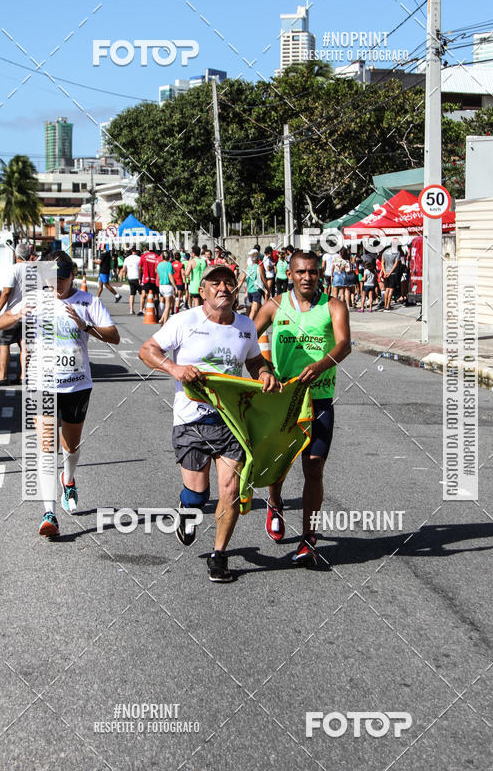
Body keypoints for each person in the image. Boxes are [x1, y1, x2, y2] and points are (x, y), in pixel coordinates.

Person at [139, 263, 278, 583]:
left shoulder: (245, 326)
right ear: (202, 291)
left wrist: (265, 372)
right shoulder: (184, 321)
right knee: (198, 494)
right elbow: (148, 350)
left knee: (229, 490)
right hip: (190, 420)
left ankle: (219, 555)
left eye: (229, 282)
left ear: (237, 289)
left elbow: (254, 359)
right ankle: (186, 510)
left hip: (231, 422)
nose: (223, 288)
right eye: (215, 283)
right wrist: (175, 370)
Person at [0, 251, 120, 537]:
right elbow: (0, 323)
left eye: (62, 280)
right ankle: (48, 511)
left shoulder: (89, 301)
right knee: (46, 447)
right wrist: (17, 314)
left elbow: (114, 336)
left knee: (71, 446)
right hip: (42, 383)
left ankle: (69, 479)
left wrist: (85, 326)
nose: (57, 286)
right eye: (52, 280)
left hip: (77, 385)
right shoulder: (36, 299)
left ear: (72, 276)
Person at [255, 250, 351, 566]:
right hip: (284, 398)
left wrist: (322, 364)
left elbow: (343, 344)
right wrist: (264, 369)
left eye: (311, 271)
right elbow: (246, 338)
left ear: (319, 272)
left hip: (320, 399)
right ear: (290, 274)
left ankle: (309, 538)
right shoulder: (275, 305)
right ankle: (275, 501)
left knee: (313, 467)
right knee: (279, 463)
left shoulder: (334, 306)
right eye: (300, 272)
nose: (306, 277)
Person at [0, 240, 31, 384]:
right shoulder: (36, 270)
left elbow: (7, 291)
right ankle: (24, 376)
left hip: (11, 314)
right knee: (25, 345)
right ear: (30, 255)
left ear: (16, 255)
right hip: (29, 313)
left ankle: (2, 376)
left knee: (4, 343)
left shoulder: (14, 269)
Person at [239, 249, 267, 320]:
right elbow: (263, 279)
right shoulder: (259, 266)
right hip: (256, 290)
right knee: (254, 310)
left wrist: (237, 289)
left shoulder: (248, 267)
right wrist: (267, 289)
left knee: (250, 308)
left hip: (249, 290)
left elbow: (241, 279)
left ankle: (252, 321)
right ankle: (249, 324)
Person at [138, 246, 160, 317]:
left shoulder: (143, 256)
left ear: (147, 249)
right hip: (155, 279)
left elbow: (140, 268)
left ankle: (143, 310)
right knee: (156, 295)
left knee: (145, 294)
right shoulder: (157, 256)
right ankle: (157, 311)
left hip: (146, 279)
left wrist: (139, 278)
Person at [156, 250, 175, 325]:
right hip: (168, 286)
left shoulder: (159, 265)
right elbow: (170, 276)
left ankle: (162, 319)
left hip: (161, 286)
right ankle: (165, 322)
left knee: (164, 303)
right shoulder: (169, 264)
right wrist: (175, 286)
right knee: (168, 306)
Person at [381, 242, 401, 310]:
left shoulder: (385, 251)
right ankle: (388, 305)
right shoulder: (397, 252)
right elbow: (395, 264)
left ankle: (385, 305)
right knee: (391, 290)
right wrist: (390, 272)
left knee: (386, 289)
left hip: (386, 272)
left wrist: (384, 272)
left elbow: (382, 263)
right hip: (392, 273)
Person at [123, 248, 141, 315]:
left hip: (130, 277)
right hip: (137, 277)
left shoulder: (127, 259)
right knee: (141, 294)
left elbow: (124, 269)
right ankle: (141, 308)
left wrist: (128, 272)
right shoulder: (139, 258)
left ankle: (131, 309)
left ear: (131, 251)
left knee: (132, 294)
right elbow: (141, 268)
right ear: (137, 251)